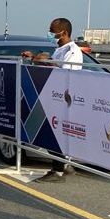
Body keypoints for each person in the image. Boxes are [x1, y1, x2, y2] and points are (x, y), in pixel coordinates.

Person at [32, 17, 83, 183]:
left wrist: (44, 61)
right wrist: (36, 59)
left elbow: (64, 73)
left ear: (64, 32)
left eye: (53, 32)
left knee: (54, 134)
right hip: (52, 95)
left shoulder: (73, 51)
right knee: (50, 133)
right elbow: (53, 66)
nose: (50, 34)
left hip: (65, 98)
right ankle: (64, 165)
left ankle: (58, 171)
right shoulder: (59, 49)